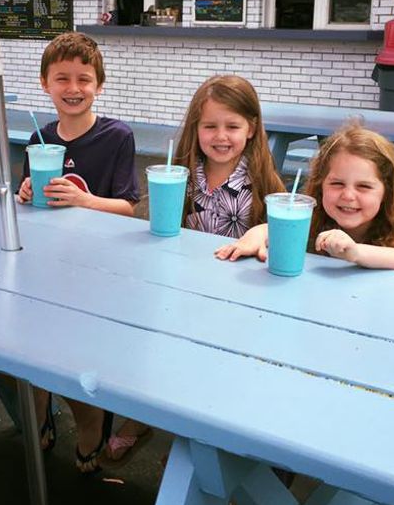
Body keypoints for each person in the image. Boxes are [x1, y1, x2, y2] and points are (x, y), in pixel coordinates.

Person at [105, 74, 285, 465]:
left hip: (238, 300)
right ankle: (143, 417)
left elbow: (284, 225)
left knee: (216, 367)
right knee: (155, 348)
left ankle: (206, 433)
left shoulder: (260, 180)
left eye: (232, 126)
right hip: (182, 287)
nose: (221, 136)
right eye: (210, 126)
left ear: (251, 128)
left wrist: (263, 231)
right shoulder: (183, 175)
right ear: (195, 128)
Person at [16, 31, 139, 473]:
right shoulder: (39, 137)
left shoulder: (117, 136)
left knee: (79, 358)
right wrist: (26, 192)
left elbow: (128, 206)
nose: (73, 88)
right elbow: (31, 200)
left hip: (98, 267)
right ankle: (40, 408)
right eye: (62, 78)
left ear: (98, 85)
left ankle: (90, 422)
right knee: (29, 348)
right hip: (47, 262)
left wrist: (85, 200)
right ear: (44, 83)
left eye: (83, 79)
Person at [216, 122, 394, 275]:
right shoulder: (313, 216)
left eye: (364, 186)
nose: (348, 195)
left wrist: (354, 252)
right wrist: (254, 236)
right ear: (321, 185)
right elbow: (274, 229)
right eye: (337, 184)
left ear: (387, 192)